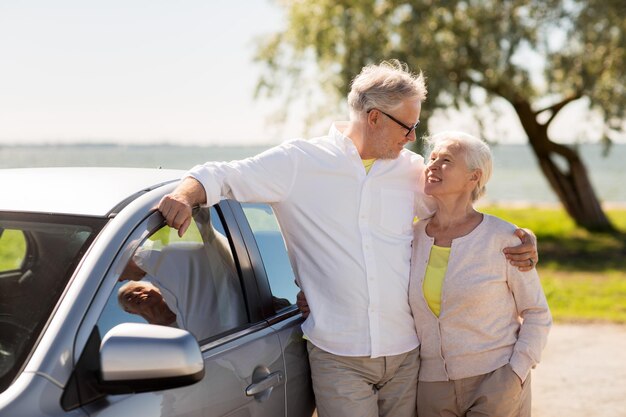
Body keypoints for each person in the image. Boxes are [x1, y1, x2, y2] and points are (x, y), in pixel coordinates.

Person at [157, 60, 538, 417]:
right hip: (338, 354)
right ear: (374, 118)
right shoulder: (299, 163)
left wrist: (520, 237)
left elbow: (457, 215)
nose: (412, 137)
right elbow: (223, 175)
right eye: (407, 126)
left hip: (406, 354)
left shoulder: (411, 172)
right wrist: (184, 195)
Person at [409, 131, 552, 417]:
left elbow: (537, 312)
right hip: (431, 388)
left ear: (474, 177)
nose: (433, 165)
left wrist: (516, 372)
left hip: (496, 380)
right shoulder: (411, 238)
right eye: (432, 158)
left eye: (446, 160)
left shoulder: (505, 238)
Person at [118, 208, 247, 341]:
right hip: (215, 353)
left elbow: (197, 212)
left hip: (240, 339)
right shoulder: (159, 281)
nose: (120, 279)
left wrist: (185, 196)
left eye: (116, 275)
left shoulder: (177, 244)